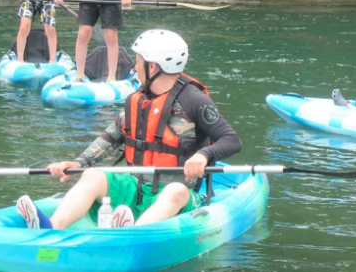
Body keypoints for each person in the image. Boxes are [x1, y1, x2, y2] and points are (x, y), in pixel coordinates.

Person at [15, 29, 242, 230]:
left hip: (179, 196)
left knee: (175, 191)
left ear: (153, 66)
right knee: (93, 175)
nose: (135, 66)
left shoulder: (195, 100)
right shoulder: (139, 99)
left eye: (138, 61)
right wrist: (78, 163)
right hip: (135, 188)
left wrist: (204, 155)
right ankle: (51, 227)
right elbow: (111, 136)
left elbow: (231, 140)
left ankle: (128, 235)